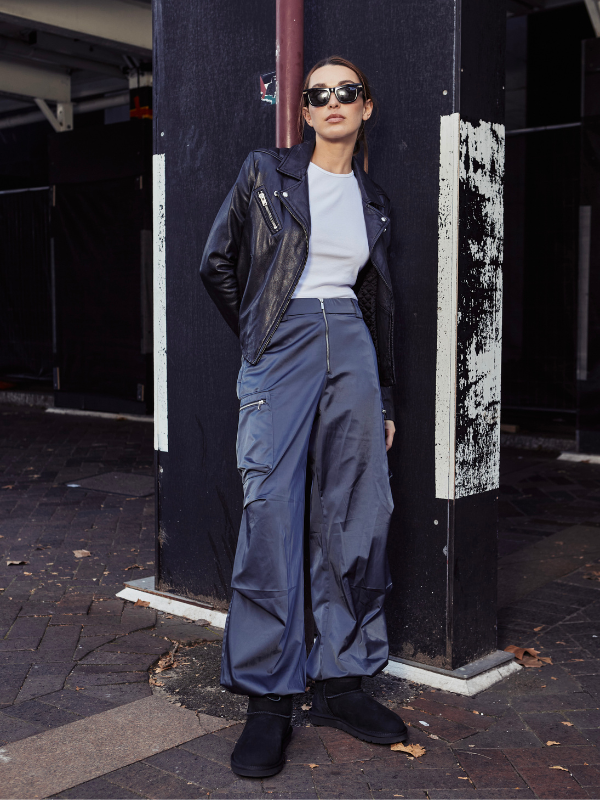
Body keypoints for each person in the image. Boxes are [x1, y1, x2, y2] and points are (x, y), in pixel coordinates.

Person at [200, 55, 406, 778]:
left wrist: (383, 397)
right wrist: (261, 337)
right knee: (271, 515)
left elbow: (378, 304)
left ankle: (342, 680)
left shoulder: (374, 200)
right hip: (281, 342)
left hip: (352, 344)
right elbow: (216, 262)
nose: (333, 101)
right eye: (319, 94)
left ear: (366, 106)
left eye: (347, 91)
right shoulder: (267, 173)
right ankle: (269, 698)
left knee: (357, 513)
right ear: (306, 112)